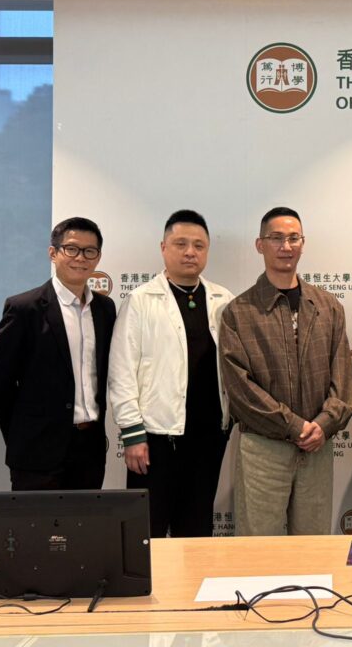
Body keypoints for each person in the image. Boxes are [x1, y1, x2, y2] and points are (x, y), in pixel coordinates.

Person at [220, 207, 352, 535]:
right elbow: (240, 390)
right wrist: (295, 427)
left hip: (317, 446)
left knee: (312, 545)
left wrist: (323, 425)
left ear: (303, 244)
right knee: (259, 545)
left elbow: (343, 381)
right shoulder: (239, 312)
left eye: (294, 238)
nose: (286, 246)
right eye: (276, 238)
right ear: (260, 245)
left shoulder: (328, 307)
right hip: (263, 448)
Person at [108, 210, 234, 538]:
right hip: (155, 439)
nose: (190, 252)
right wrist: (132, 435)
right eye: (181, 244)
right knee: (147, 531)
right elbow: (121, 371)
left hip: (208, 436)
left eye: (199, 245)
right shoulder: (140, 301)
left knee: (196, 529)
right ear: (163, 248)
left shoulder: (223, 300)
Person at [0, 217, 116, 490]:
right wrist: (20, 436)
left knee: (85, 518)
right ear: (53, 253)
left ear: (98, 257)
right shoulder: (24, 308)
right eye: (71, 249)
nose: (80, 258)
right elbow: (0, 382)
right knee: (36, 519)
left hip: (90, 448)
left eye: (89, 251)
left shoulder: (105, 309)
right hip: (36, 450)